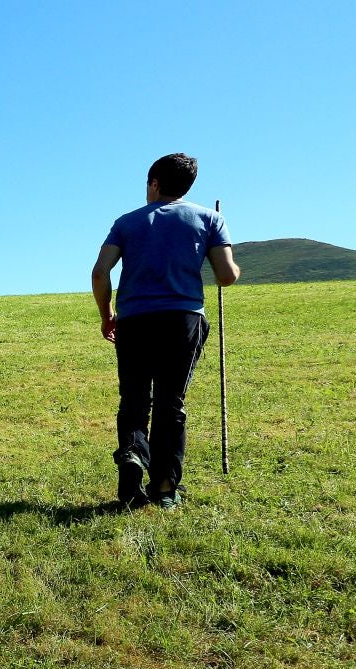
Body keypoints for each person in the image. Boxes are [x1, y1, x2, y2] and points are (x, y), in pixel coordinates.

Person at [91, 153, 240, 509]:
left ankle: (132, 458)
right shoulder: (210, 219)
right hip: (182, 319)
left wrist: (107, 314)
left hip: (134, 321)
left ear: (155, 183)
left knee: (134, 399)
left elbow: (100, 272)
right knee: (170, 402)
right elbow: (225, 276)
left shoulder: (126, 223)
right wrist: (232, 266)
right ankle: (165, 487)